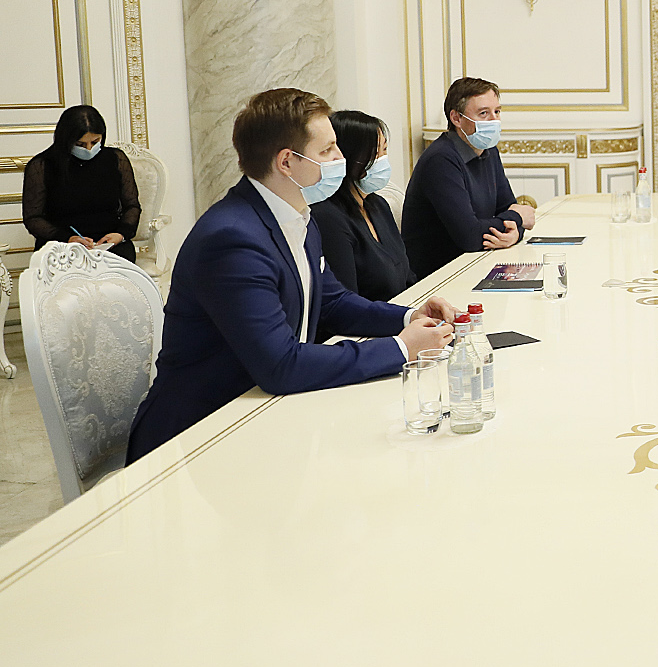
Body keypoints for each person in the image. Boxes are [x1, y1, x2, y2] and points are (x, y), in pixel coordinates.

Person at [126, 89, 457, 462]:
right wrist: (401, 348)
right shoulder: (232, 238)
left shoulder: (299, 216)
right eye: (328, 150)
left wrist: (408, 317)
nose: (341, 158)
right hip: (200, 436)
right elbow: (280, 366)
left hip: (266, 415)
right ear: (287, 161)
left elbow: (331, 301)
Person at [402, 76, 533, 279]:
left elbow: (508, 208)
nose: (494, 120)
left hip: (477, 263)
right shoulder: (441, 160)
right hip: (439, 276)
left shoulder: (489, 151)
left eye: (497, 112)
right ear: (456, 118)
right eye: (484, 113)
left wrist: (515, 233)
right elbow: (470, 235)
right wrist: (517, 219)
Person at [313, 109, 415, 303]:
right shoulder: (328, 217)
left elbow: (407, 275)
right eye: (376, 153)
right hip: (370, 319)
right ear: (350, 156)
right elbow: (346, 300)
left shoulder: (378, 205)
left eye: (385, 150)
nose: (383, 159)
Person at [22, 104, 141, 264]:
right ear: (66, 140)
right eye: (80, 144)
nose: (89, 149)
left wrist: (121, 234)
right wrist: (67, 238)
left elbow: (132, 206)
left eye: (95, 142)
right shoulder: (41, 166)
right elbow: (33, 218)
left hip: (111, 245)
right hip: (61, 247)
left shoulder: (116, 158)